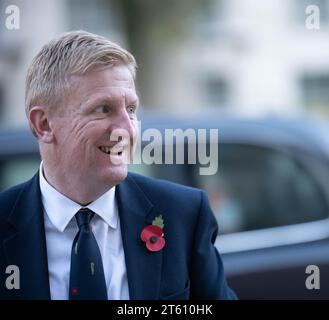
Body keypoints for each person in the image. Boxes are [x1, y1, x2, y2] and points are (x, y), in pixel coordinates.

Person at [0, 31, 236, 300]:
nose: (127, 129)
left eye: (132, 109)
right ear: (43, 124)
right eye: (103, 109)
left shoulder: (183, 215)